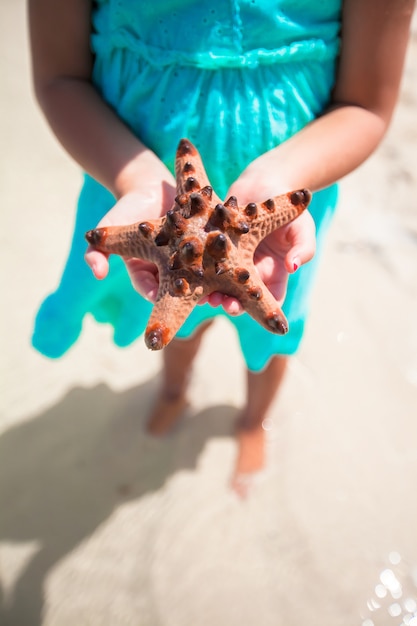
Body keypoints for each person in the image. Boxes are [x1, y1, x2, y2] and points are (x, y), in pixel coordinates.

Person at [29, 0, 415, 496]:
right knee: (172, 317)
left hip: (290, 182)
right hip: (134, 177)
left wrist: (283, 181)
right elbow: (60, 77)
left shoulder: (273, 214)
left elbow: (367, 105)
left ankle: (253, 421)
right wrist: (138, 181)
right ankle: (175, 390)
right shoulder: (160, 214)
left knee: (274, 322)